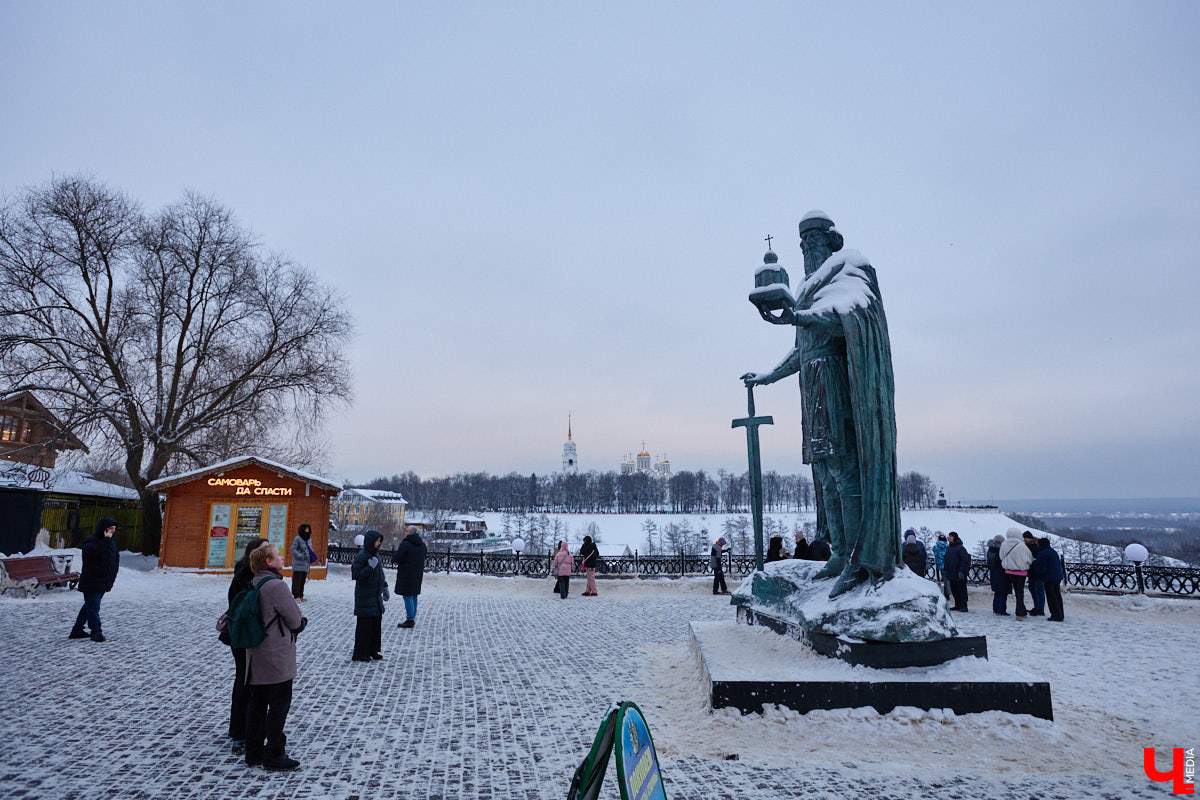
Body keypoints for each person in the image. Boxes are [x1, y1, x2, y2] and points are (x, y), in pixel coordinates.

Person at [743, 212, 902, 597]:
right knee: (827, 476)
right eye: (802, 245)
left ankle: (859, 559)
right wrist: (766, 377)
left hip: (837, 384)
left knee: (846, 474)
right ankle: (840, 551)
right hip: (812, 388)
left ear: (832, 240)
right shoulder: (806, 285)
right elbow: (801, 350)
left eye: (812, 243)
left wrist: (796, 316)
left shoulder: (849, 269)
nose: (806, 250)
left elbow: (845, 319)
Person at [243, 543, 304, 771]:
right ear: (269, 562)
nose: (281, 558)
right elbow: (295, 619)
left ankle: (253, 751)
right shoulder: (276, 586)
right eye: (277, 555)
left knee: (257, 704)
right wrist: (300, 624)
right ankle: (274, 752)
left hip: (255, 654)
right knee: (279, 705)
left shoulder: (254, 582)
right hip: (276, 655)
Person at [224, 536, 268, 755]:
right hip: (244, 636)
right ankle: (240, 733)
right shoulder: (246, 576)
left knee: (246, 680)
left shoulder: (255, 575)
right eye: (263, 549)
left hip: (248, 635)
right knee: (245, 682)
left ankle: (243, 728)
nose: (267, 553)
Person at [69, 517, 120, 642]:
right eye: (110, 529)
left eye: (114, 529)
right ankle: (96, 632)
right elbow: (94, 553)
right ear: (103, 529)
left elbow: (114, 559)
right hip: (92, 580)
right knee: (93, 607)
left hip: (104, 580)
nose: (113, 531)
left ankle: (77, 630)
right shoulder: (91, 542)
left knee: (89, 605)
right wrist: (106, 542)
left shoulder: (110, 542)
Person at [351, 530, 388, 661]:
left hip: (376, 598)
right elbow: (356, 575)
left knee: (375, 627)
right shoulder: (362, 555)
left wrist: (384, 586)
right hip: (365, 597)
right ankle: (361, 653)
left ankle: (373, 650)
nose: (378, 544)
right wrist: (369, 568)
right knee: (364, 628)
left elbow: (379, 574)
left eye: (379, 541)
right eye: (377, 541)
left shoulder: (375, 555)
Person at [393, 526, 428, 627]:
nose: (405, 532)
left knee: (407, 595)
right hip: (417, 574)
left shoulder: (405, 545)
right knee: (414, 595)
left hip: (406, 574)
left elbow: (398, 557)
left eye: (406, 531)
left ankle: (410, 619)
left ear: (410, 533)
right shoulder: (422, 545)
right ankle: (412, 616)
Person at [999, 527, 1034, 620]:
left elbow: (1001, 556)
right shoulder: (1021, 545)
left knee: (1012, 591)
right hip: (1021, 572)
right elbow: (1029, 558)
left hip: (1009, 571)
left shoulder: (1004, 544)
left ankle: (1020, 610)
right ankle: (1020, 612)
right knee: (1020, 592)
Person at [1034, 537, 1065, 622]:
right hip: (1057, 576)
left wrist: (1035, 568)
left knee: (1051, 597)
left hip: (1049, 577)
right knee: (1057, 595)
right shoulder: (1052, 551)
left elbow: (1041, 568)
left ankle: (1055, 615)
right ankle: (1060, 614)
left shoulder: (1042, 553)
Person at [943, 531, 970, 612]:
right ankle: (957, 605)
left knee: (962, 589)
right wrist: (945, 570)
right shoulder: (948, 548)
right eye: (949, 537)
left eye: (950, 537)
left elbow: (964, 561)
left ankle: (964, 606)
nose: (949, 538)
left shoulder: (961, 548)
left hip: (959, 573)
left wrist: (961, 571)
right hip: (951, 573)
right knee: (954, 590)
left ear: (955, 538)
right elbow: (946, 560)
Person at [290, 524, 315, 601]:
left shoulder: (309, 539)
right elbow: (293, 549)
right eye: (306, 529)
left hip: (305, 563)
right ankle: (296, 596)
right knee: (297, 580)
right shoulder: (297, 538)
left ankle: (301, 595)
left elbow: (310, 549)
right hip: (298, 562)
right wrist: (300, 555)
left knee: (302, 580)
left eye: (308, 529)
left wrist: (311, 555)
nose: (307, 531)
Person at [985, 535, 1009, 615]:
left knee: (997, 592)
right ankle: (1001, 609)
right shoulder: (1001, 550)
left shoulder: (991, 549)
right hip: (1002, 572)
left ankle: (995, 608)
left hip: (993, 571)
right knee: (1003, 591)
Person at [1023, 531, 1045, 616]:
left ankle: (1039, 608)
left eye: (1026, 538)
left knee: (1038, 590)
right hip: (1031, 572)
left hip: (1036, 572)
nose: (1025, 539)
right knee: (1034, 590)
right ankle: (1037, 607)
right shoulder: (1028, 546)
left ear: (1030, 538)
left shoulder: (1035, 547)